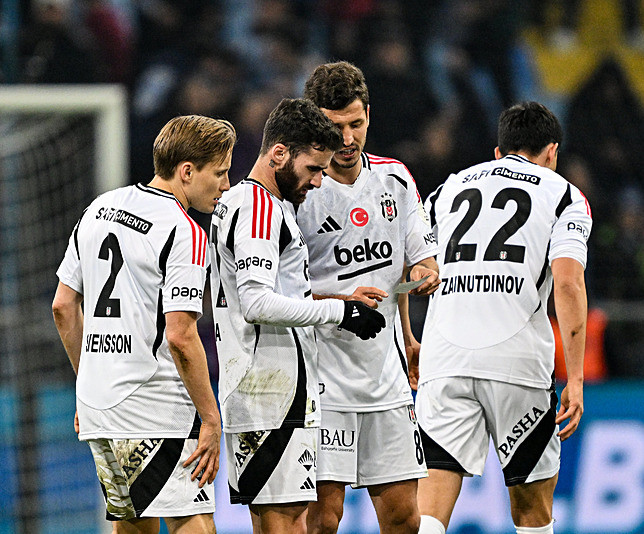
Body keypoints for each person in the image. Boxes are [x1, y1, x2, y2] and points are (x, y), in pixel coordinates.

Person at [208, 97, 386, 533]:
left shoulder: (245, 202)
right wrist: (337, 311)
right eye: (313, 169)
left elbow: (277, 293)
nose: (320, 181)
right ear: (279, 153)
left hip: (262, 386)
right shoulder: (259, 207)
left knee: (284, 521)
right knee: (284, 523)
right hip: (272, 390)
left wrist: (337, 299)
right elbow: (256, 303)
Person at [52, 115, 236, 532]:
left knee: (132, 525)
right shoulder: (185, 229)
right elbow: (180, 335)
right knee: (195, 522)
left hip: (101, 409)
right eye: (220, 173)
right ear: (187, 172)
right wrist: (210, 417)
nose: (226, 185)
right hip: (157, 408)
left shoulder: (99, 209)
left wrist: (90, 384)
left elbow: (63, 306)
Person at [416, 101, 592, 534]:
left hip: (445, 358)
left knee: (430, 512)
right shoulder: (564, 194)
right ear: (552, 151)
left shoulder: (449, 188)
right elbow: (567, 283)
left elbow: (416, 268)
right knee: (532, 512)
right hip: (517, 363)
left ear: (499, 152)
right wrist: (577, 377)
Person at [298, 61, 440, 534]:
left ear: (368, 116)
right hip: (322, 379)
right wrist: (341, 300)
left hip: (386, 376)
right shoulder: (297, 194)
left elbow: (417, 258)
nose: (347, 138)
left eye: (355, 124)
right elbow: (281, 290)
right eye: (334, 127)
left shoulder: (395, 180)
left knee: (404, 516)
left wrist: (411, 322)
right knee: (322, 519)